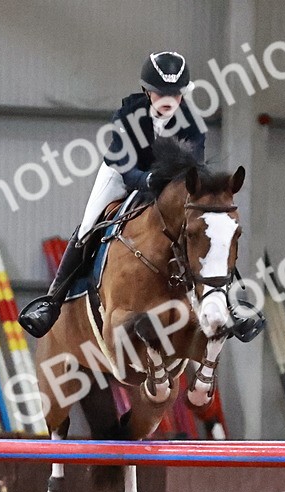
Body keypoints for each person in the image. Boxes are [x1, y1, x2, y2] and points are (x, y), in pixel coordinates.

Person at [18, 51, 207, 338]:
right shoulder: (128, 115)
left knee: (207, 225)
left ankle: (227, 301)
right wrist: (148, 180)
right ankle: (51, 303)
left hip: (169, 186)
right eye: (160, 94)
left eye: (175, 94)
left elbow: (195, 169)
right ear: (147, 91)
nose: (168, 100)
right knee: (87, 226)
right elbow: (124, 166)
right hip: (123, 176)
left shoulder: (192, 122)